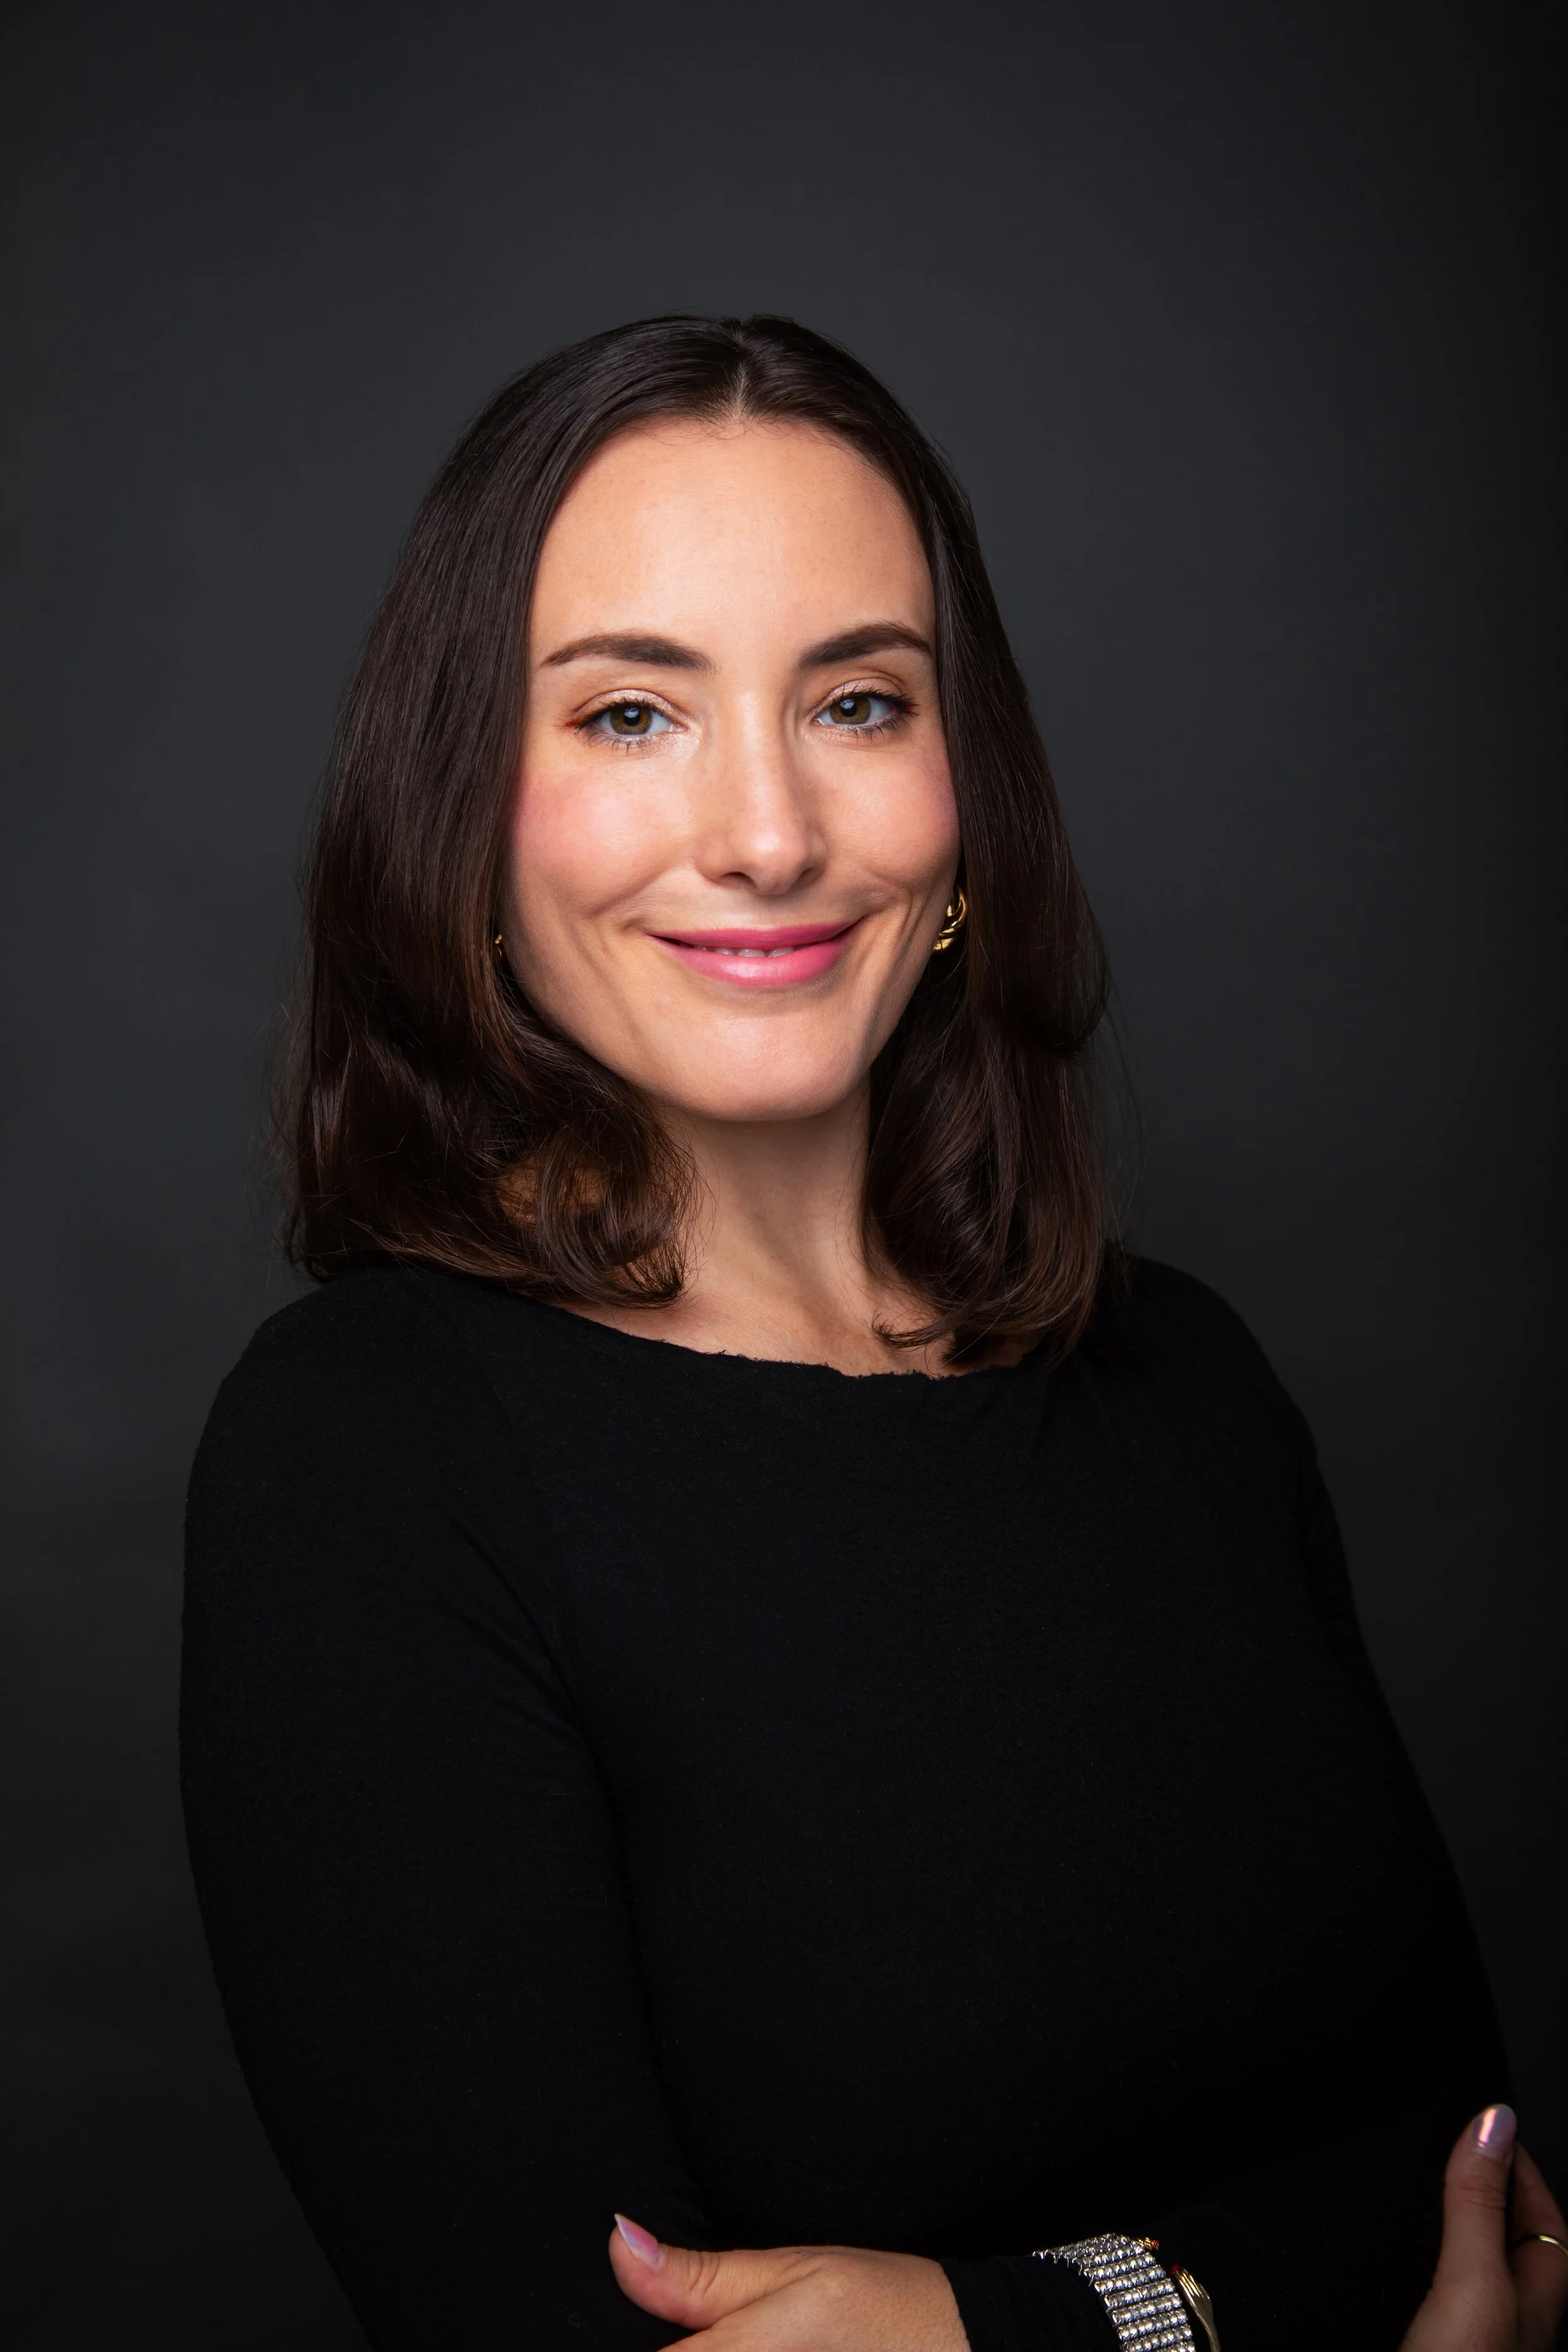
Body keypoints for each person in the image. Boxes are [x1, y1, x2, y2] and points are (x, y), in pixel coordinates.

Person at [179, 315, 1565, 2352]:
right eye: (630, 715)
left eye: (852, 698)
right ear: (465, 815)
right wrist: (1218, 2302)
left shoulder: (1185, 1380)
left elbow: (1481, 2194)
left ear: (959, 804)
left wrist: (994, 2326)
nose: (765, 832)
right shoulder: (373, 1459)